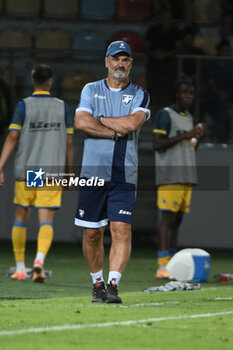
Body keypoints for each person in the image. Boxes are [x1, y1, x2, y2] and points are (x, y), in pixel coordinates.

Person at [74, 40, 150, 303]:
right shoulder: (90, 89)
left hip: (124, 176)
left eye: (125, 59)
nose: (120, 64)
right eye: (115, 59)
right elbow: (81, 121)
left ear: (131, 63)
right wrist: (113, 131)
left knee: (121, 229)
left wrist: (102, 119)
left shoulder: (140, 94)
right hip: (92, 175)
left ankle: (113, 285)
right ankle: (97, 285)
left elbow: (132, 124)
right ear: (106, 61)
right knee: (92, 232)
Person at [0, 65, 73, 282]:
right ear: (51, 82)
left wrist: (0, 166)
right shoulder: (62, 107)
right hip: (51, 169)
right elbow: (69, 142)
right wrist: (69, 172)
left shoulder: (24, 105)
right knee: (46, 220)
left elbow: (12, 137)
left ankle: (21, 268)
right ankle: (39, 261)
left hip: (28, 169)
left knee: (21, 217)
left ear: (33, 81)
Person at [153, 77, 205, 279]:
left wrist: (198, 136)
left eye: (191, 93)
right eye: (185, 92)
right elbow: (157, 144)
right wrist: (187, 135)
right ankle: (162, 264)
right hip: (170, 174)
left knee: (177, 221)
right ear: (176, 94)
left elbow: (190, 146)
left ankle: (173, 264)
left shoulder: (189, 117)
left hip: (187, 174)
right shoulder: (165, 115)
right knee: (167, 218)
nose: (189, 96)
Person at [145, 9, 183, 110]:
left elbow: (179, 48)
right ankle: (153, 117)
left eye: (169, 18)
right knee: (153, 92)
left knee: (168, 92)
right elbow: (146, 46)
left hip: (169, 66)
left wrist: (166, 54)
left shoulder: (176, 32)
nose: (167, 20)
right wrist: (154, 54)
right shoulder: (153, 30)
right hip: (154, 66)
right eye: (165, 18)